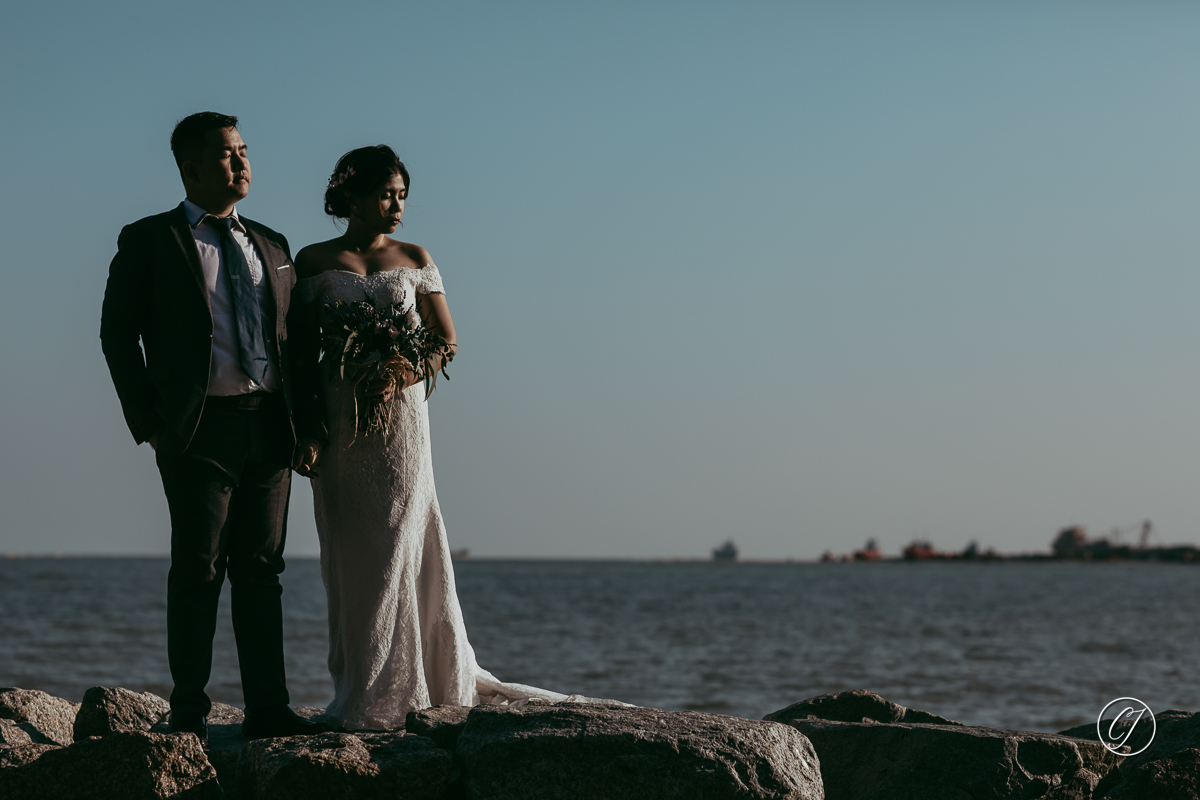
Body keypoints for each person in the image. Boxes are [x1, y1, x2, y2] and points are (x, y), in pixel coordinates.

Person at [292, 146, 573, 730]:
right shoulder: (314, 262)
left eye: (402, 196)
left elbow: (445, 340)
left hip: (402, 424)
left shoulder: (416, 258)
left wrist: (401, 370)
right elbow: (298, 353)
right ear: (351, 194)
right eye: (385, 193)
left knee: (402, 535)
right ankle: (362, 682)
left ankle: (413, 684)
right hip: (344, 422)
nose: (396, 206)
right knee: (351, 547)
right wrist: (310, 427)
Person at [100, 112, 327, 741]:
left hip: (270, 429)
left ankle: (269, 710)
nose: (242, 164)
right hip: (196, 430)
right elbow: (117, 332)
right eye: (227, 155)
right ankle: (189, 713)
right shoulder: (150, 239)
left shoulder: (273, 245)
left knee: (262, 571)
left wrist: (306, 425)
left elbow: (294, 345)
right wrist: (149, 421)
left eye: (245, 151)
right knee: (197, 570)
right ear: (190, 167)